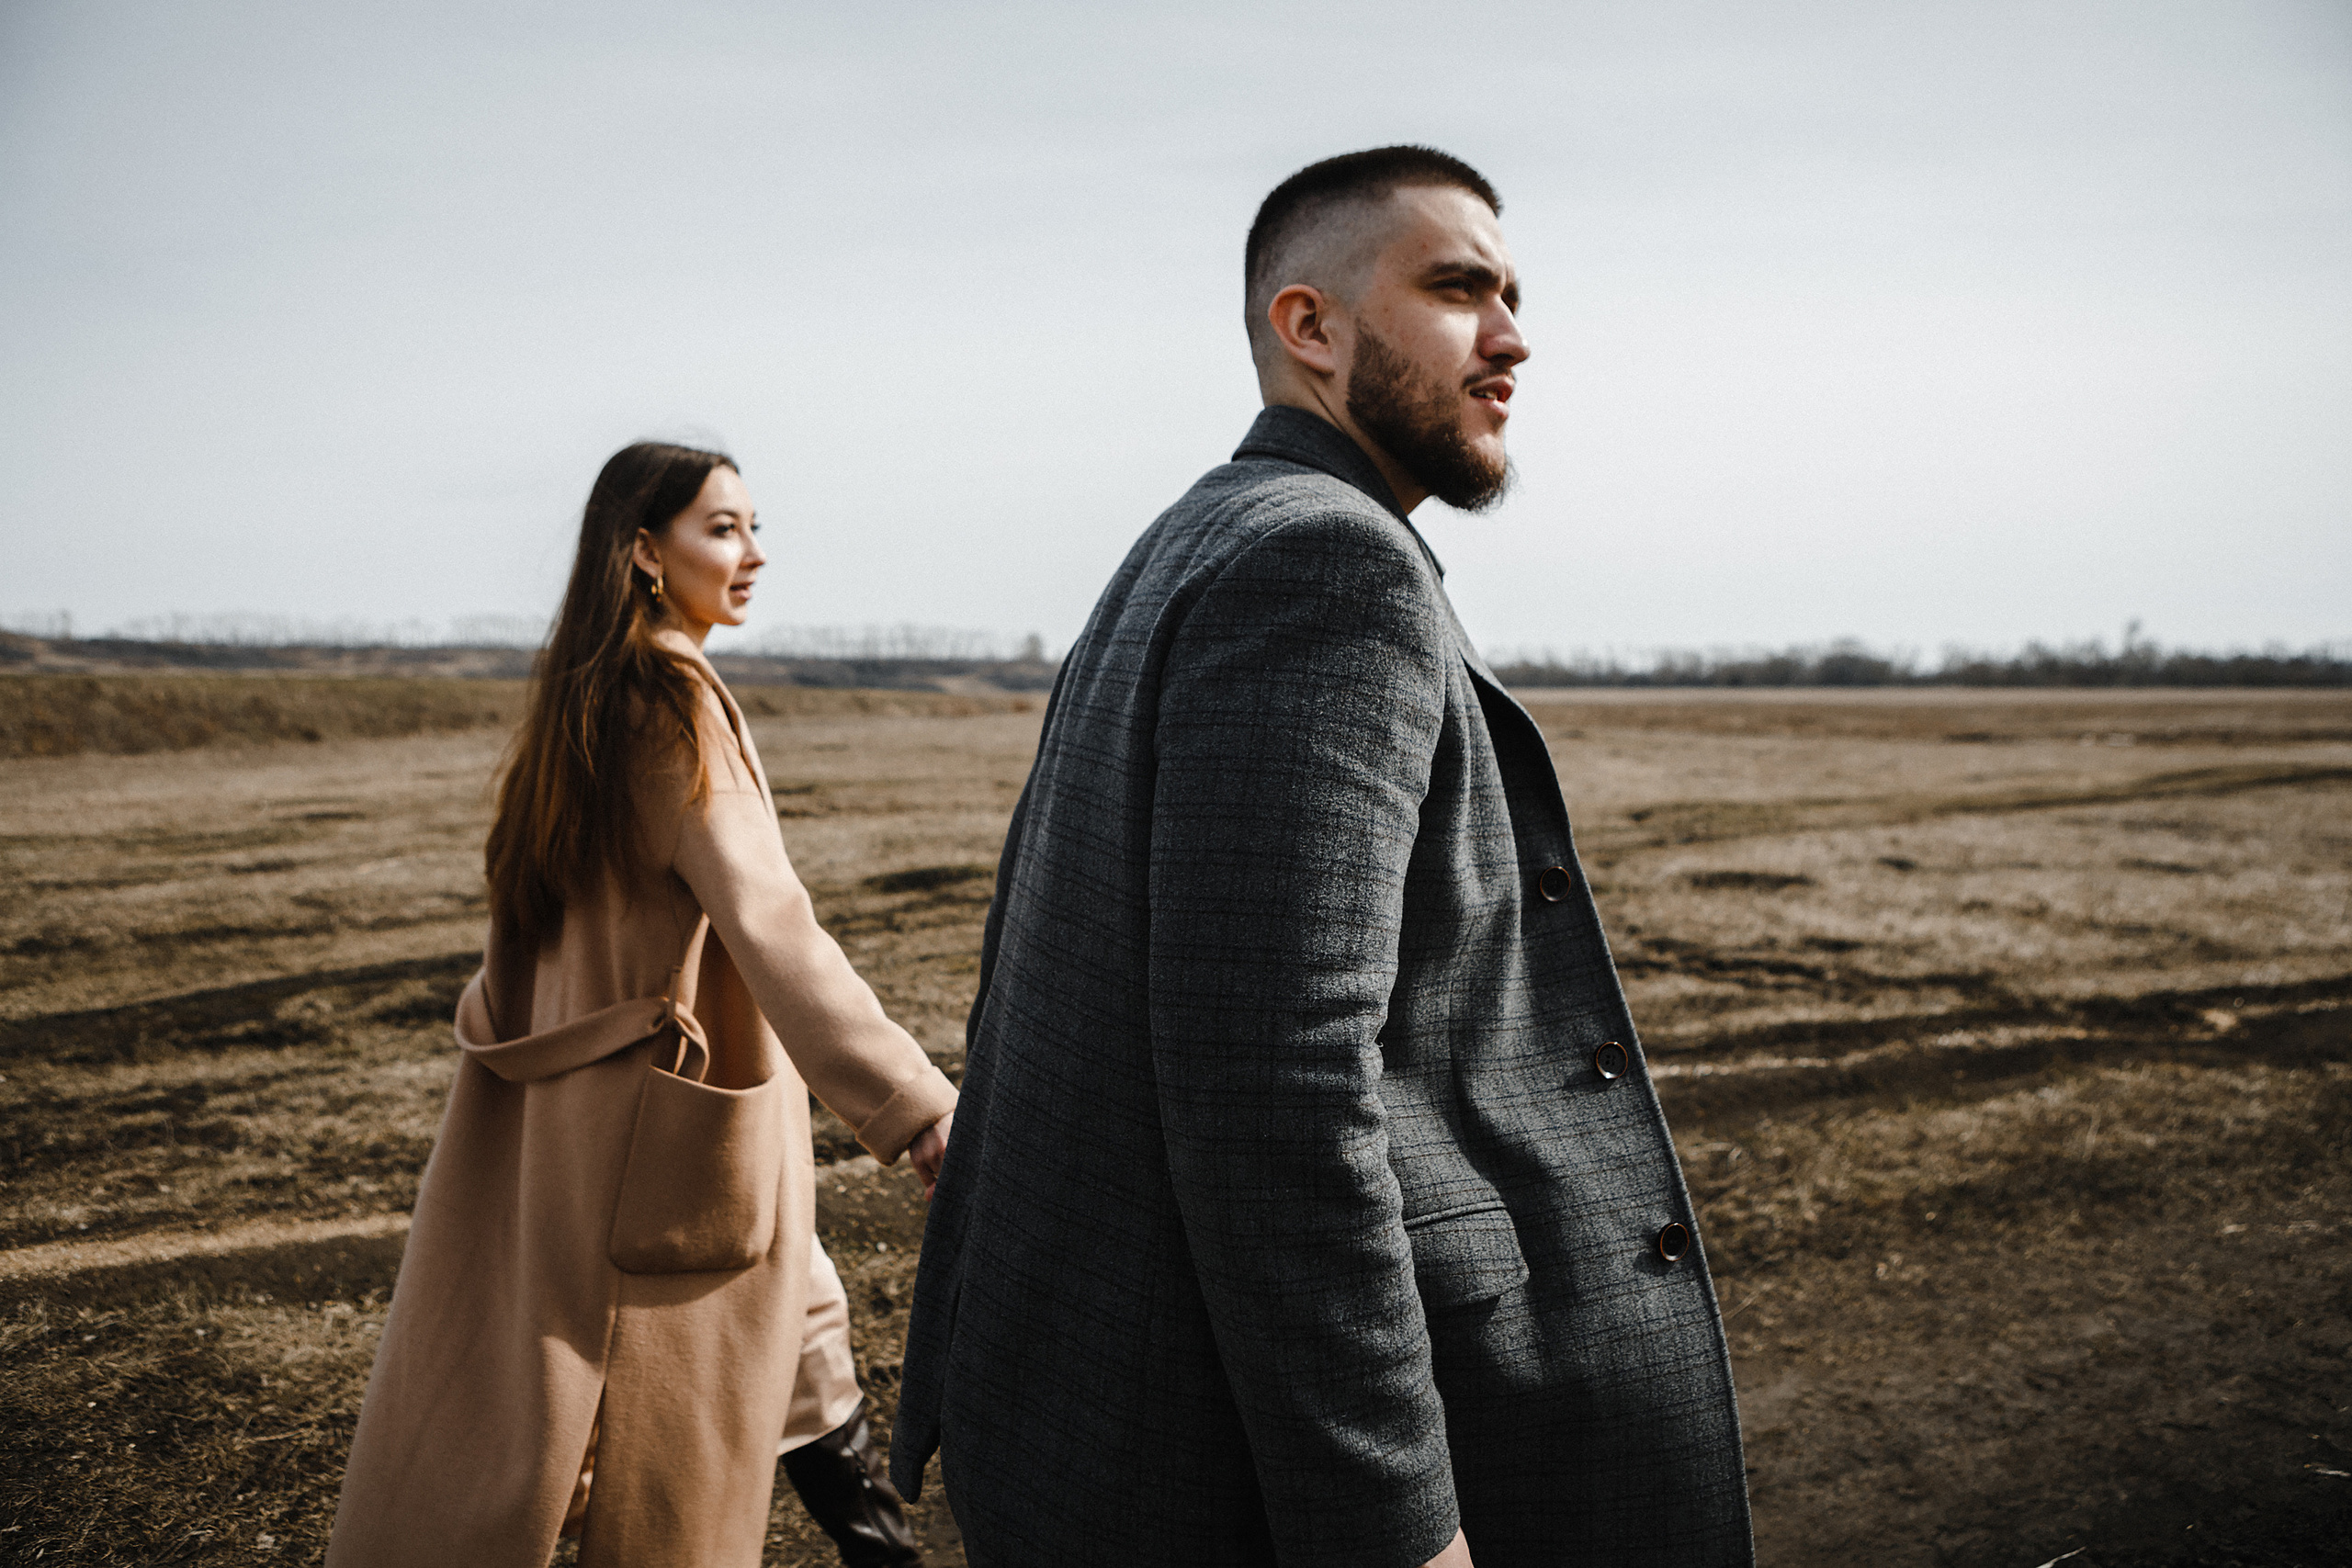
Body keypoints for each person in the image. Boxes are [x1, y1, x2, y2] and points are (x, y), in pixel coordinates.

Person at [891, 147, 1754, 1566]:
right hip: (1206, 1474)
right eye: (1460, 287)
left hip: (1092, 1412)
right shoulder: (1324, 565)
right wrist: (1393, 1524)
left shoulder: (1200, 529)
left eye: (1516, 294)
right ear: (1312, 327)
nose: (1513, 336)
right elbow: (1274, 1087)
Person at [327, 442, 955, 1568]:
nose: (754, 553)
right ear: (642, 550)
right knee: (623, 1460)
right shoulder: (669, 699)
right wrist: (911, 1103)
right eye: (723, 528)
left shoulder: (586, 696)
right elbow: (769, 920)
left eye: (755, 526)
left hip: (601, 1127)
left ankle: (888, 1553)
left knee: (804, 1329)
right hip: (653, 1143)